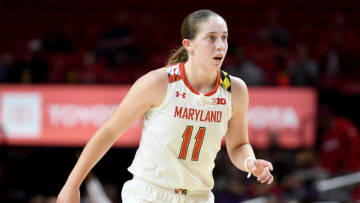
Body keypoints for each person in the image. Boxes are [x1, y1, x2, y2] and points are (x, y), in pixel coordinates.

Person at [57, 9, 274, 203]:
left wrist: (249, 162)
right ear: (188, 45)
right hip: (148, 194)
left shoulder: (235, 89)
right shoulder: (158, 82)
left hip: (199, 197)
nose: (220, 45)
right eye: (211, 38)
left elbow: (238, 146)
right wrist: (72, 184)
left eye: (224, 38)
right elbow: (109, 131)